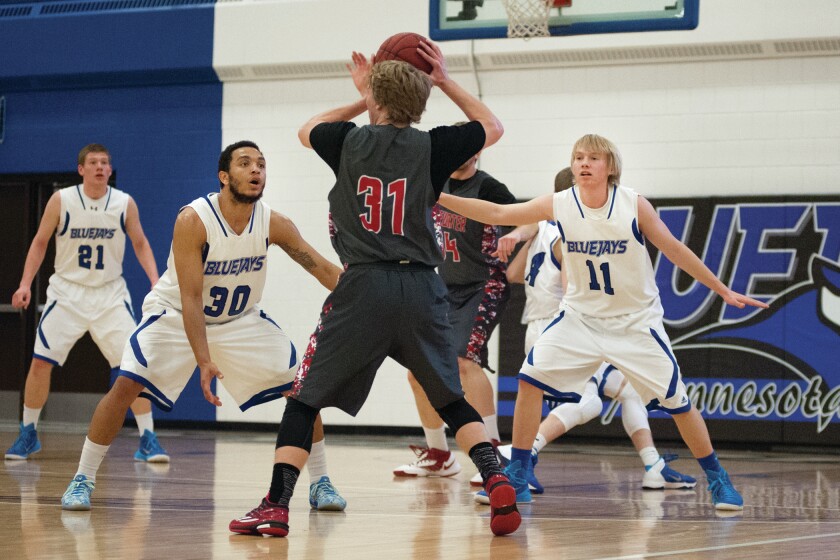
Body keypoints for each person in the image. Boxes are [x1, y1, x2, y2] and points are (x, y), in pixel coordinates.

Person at [230, 42, 521, 538]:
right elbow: (492, 127)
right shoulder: (434, 145)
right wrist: (444, 79)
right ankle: (495, 475)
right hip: (423, 286)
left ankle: (276, 506)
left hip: (363, 283)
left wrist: (362, 96)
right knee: (450, 398)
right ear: (422, 101)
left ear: (376, 100)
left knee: (304, 399)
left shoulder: (346, 140)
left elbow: (305, 129)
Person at [438, 134, 768, 511]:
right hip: (580, 318)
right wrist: (437, 196)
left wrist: (722, 289)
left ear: (609, 166)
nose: (583, 163)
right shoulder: (561, 203)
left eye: (592, 157)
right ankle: (518, 474)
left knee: (678, 403)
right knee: (530, 381)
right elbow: (498, 214)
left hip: (634, 322)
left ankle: (717, 479)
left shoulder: (632, 203)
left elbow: (674, 248)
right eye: (578, 157)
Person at [60, 141, 347, 513]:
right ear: (224, 176)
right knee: (127, 384)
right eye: (245, 163)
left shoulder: (273, 222)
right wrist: (204, 359)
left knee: (302, 387)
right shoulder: (193, 220)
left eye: (261, 164)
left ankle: (320, 481)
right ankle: (83, 477)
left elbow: (321, 267)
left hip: (239, 320)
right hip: (176, 315)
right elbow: (191, 297)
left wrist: (367, 296)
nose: (256, 170)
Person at [479, 168, 696, 500]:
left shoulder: (542, 229)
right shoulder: (571, 235)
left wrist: (527, 234)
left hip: (537, 329)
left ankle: (653, 465)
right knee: (590, 403)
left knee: (628, 391)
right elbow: (573, 290)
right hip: (567, 329)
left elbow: (512, 274)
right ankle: (521, 454)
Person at [6, 144, 166, 464]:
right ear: (81, 169)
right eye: (92, 162)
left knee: (133, 367)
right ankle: (28, 433)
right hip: (67, 293)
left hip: (109, 295)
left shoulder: (124, 203)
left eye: (105, 163)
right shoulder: (62, 200)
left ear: (110, 170)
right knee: (40, 362)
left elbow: (140, 242)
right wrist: (25, 284)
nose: (99, 167)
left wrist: (155, 280)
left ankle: (148, 438)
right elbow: (39, 242)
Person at [393, 147, 516, 481]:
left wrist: (516, 234)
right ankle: (439, 455)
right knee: (416, 372)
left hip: (483, 285)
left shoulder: (490, 188)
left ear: (477, 152)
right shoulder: (434, 183)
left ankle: (491, 451)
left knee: (464, 363)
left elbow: (527, 216)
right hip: (441, 287)